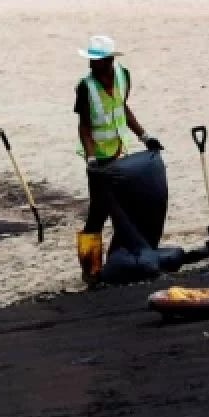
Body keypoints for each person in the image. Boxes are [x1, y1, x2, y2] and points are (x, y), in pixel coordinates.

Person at [74, 35, 163, 283]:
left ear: (111, 60)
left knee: (126, 209)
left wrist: (145, 136)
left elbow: (123, 107)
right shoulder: (85, 86)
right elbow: (84, 125)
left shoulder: (124, 75)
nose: (92, 64)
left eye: (98, 60)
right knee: (98, 212)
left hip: (122, 154)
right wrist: (90, 158)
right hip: (100, 160)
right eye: (91, 60)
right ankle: (90, 270)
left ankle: (119, 259)